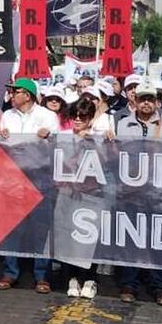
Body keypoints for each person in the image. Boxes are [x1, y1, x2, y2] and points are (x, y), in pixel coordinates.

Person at [0, 77, 57, 292]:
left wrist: (49, 136)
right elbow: (1, 146)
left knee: (41, 228)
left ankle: (42, 275)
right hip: (13, 177)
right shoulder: (7, 116)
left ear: (28, 95)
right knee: (12, 226)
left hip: (40, 177)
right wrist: (0, 136)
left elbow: (58, 145)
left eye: (16, 91)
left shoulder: (47, 116)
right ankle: (10, 272)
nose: (12, 95)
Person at [114, 81, 162, 306]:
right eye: (142, 99)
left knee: (159, 239)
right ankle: (130, 283)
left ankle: (161, 286)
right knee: (131, 239)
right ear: (135, 102)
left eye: (150, 99)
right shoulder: (121, 125)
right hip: (131, 193)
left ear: (157, 102)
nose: (146, 103)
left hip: (158, 193)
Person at [60, 97, 104, 300]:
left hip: (92, 195)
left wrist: (94, 141)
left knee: (89, 236)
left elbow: (106, 161)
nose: (78, 120)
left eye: (83, 116)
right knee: (69, 236)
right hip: (68, 193)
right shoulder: (63, 136)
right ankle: (72, 278)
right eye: (75, 116)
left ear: (90, 118)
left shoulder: (97, 138)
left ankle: (89, 279)